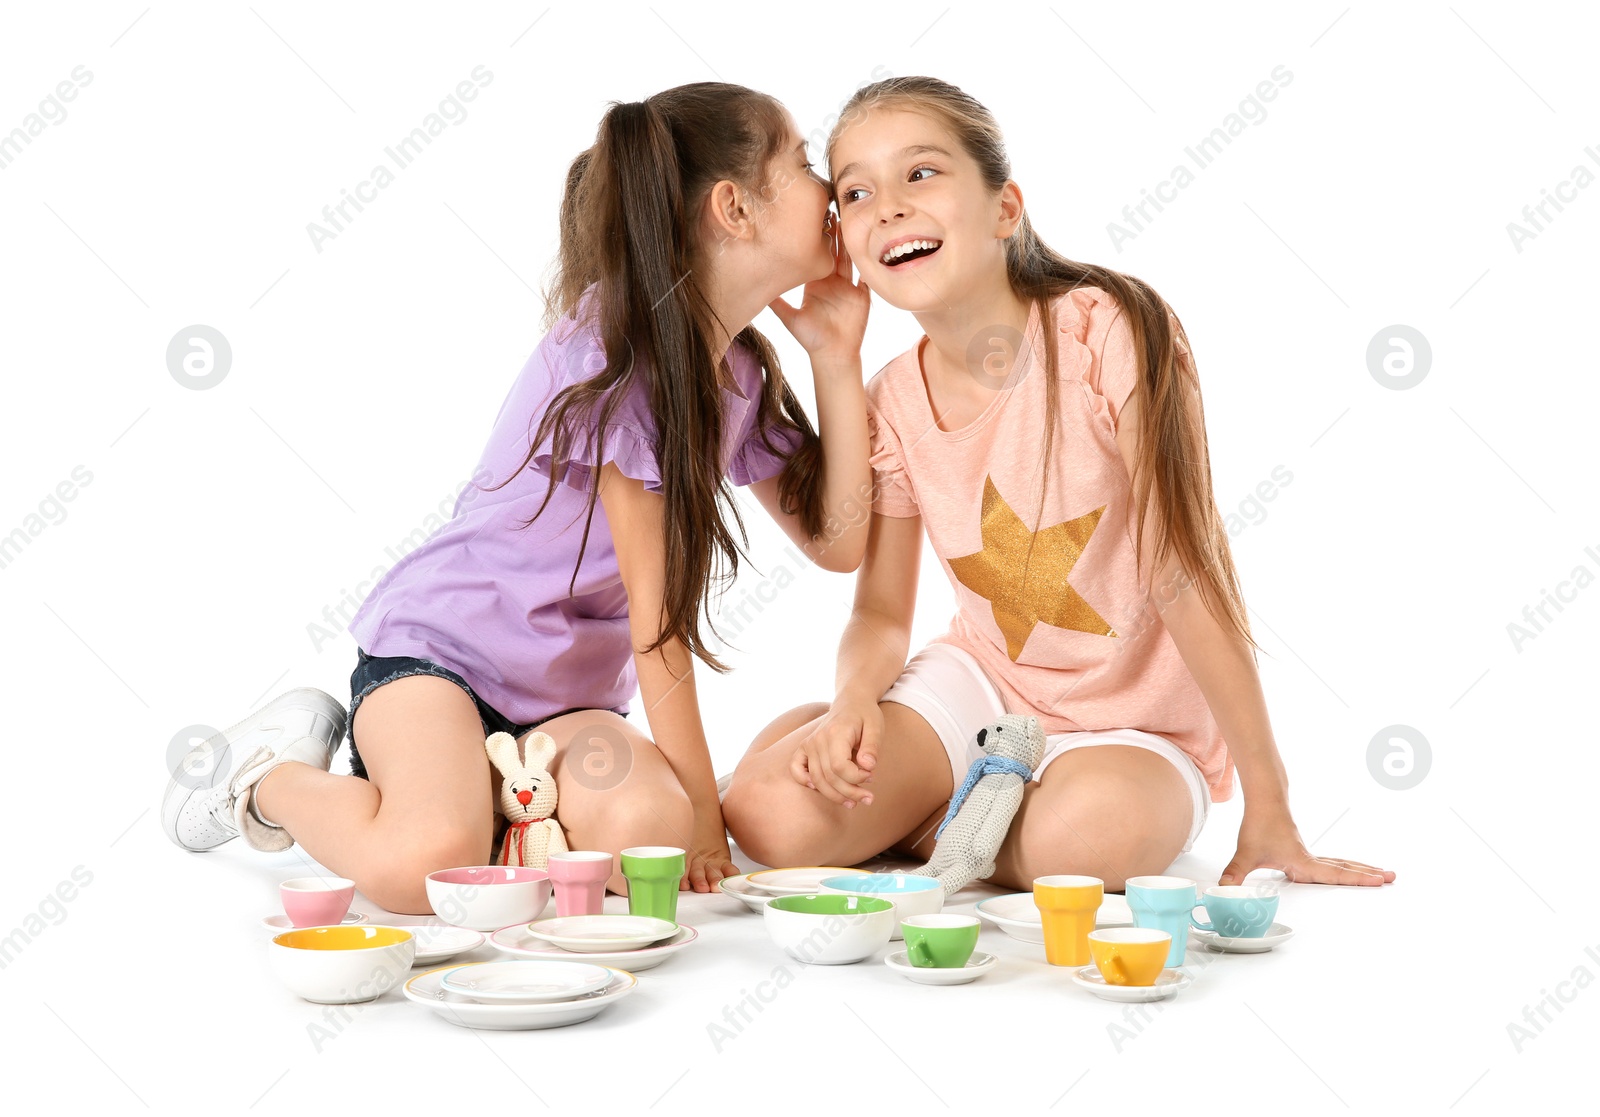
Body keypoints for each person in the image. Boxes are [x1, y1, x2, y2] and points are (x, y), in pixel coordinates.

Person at [162, 82, 873, 912]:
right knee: (426, 864)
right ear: (735, 208)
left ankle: (505, 803)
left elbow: (838, 541)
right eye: (802, 161)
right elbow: (657, 630)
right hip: (439, 663)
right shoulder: (616, 356)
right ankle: (268, 782)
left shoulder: (740, 377)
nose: (830, 186)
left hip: (562, 708)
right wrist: (710, 818)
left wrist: (835, 358)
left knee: (652, 833)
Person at [722, 76, 1394, 892]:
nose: (888, 206)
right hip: (981, 687)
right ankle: (939, 793)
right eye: (856, 191)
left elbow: (1187, 570)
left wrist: (1270, 804)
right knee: (769, 816)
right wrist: (857, 697)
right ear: (850, 244)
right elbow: (879, 607)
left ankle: (924, 816)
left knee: (1084, 841)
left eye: (921, 173)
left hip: (1133, 725)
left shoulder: (1110, 330)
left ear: (1006, 209)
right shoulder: (893, 399)